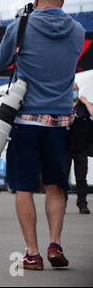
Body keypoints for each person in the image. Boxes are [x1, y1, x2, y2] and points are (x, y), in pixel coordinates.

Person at [0, 0, 85, 270]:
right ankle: (55, 242)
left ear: (35, 1)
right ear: (62, 2)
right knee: (56, 185)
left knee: (24, 187)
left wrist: (21, 26)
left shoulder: (21, 25)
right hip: (61, 121)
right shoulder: (78, 31)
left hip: (26, 121)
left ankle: (32, 253)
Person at [64, 83, 91, 214]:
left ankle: (82, 204)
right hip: (65, 147)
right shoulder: (63, 105)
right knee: (62, 177)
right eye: (72, 90)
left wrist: (86, 102)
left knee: (81, 178)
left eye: (76, 90)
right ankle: (61, 203)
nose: (74, 92)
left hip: (81, 148)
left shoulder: (84, 106)